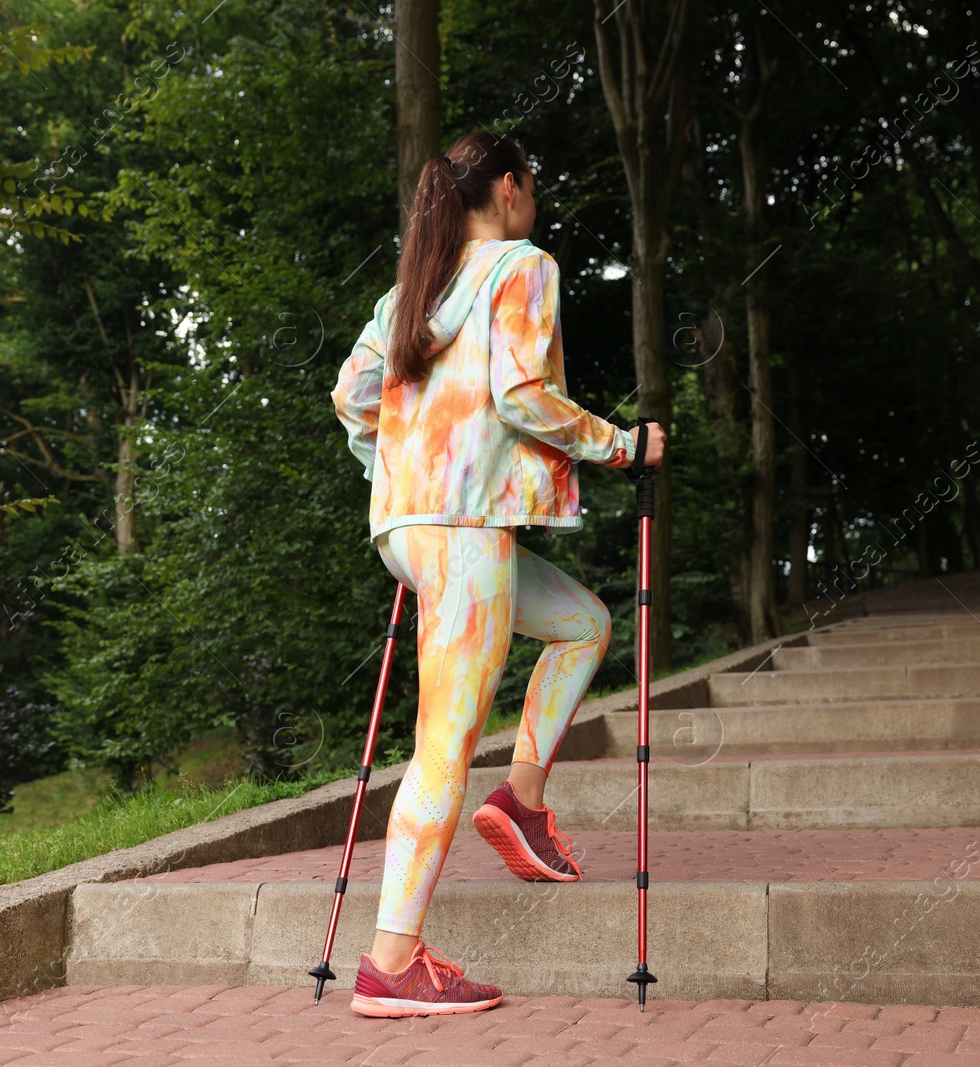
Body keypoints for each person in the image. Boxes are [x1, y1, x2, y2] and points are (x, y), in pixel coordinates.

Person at [330, 130, 667, 1019]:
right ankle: (391, 961)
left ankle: (520, 800)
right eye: (534, 184)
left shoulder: (414, 289)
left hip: (411, 529)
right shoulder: (522, 264)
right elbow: (522, 394)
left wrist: (396, 473)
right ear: (510, 187)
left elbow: (351, 395)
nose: (535, 199)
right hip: (466, 531)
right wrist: (622, 445)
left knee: (583, 623)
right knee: (443, 741)